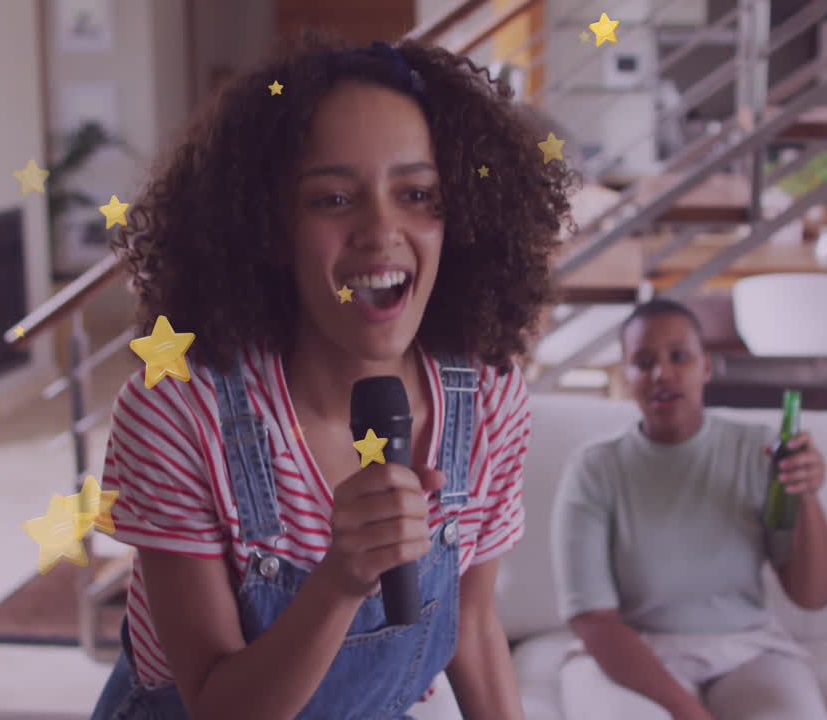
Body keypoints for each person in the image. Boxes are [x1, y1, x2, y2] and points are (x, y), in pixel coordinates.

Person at [88, 31, 576, 720]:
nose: (381, 230)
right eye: (334, 199)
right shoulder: (178, 413)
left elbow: (471, 626)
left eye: (417, 193)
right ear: (269, 227)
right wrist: (341, 579)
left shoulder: (487, 399)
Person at [551, 298, 827, 720]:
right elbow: (594, 620)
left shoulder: (760, 451)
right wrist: (688, 711)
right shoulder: (594, 469)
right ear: (626, 376)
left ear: (706, 367)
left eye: (679, 356)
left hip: (748, 648)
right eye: (643, 362)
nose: (661, 373)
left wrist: (808, 494)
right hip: (635, 653)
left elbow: (813, 595)